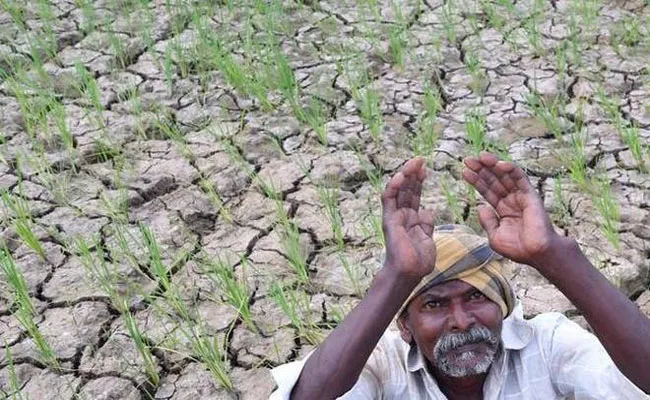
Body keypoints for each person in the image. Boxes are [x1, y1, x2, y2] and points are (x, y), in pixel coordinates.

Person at [269, 152, 650, 399]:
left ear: (502, 306)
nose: (462, 321)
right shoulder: (383, 364)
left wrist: (554, 255)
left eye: (476, 297)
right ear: (404, 325)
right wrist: (396, 277)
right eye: (434, 304)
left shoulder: (547, 344)